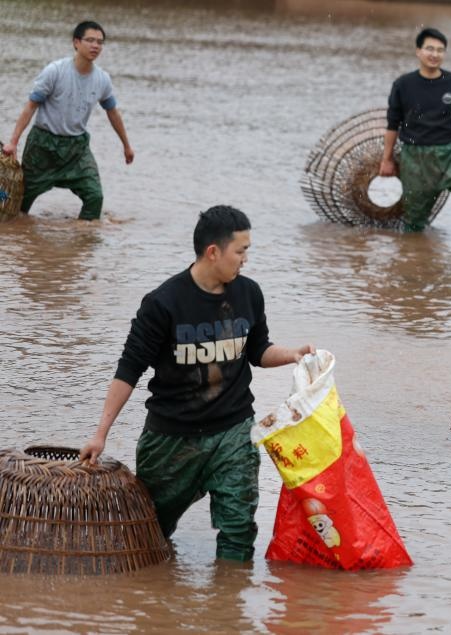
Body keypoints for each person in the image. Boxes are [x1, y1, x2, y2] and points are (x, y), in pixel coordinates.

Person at [80, 205, 314, 561]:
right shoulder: (163, 303)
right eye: (241, 250)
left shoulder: (249, 294)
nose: (245, 259)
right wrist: (101, 433)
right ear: (213, 252)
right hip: (172, 438)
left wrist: (293, 354)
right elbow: (129, 369)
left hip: (233, 432)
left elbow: (258, 350)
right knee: (149, 533)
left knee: (238, 531)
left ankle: (227, 610)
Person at [2, 21, 133, 220]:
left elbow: (112, 112)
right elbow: (30, 106)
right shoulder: (55, 71)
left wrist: (126, 145)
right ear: (76, 43)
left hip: (76, 149)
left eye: (100, 42)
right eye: (90, 40)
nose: (95, 46)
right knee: (19, 204)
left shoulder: (102, 79)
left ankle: (80, 242)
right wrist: (13, 142)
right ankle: (21, 244)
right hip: (43, 147)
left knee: (94, 197)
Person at [379, 27, 451, 240]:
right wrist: (387, 159)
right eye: (429, 49)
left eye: (440, 50)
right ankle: (413, 259)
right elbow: (393, 124)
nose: (434, 54)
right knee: (414, 220)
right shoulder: (403, 85)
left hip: (450, 154)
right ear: (418, 51)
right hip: (414, 157)